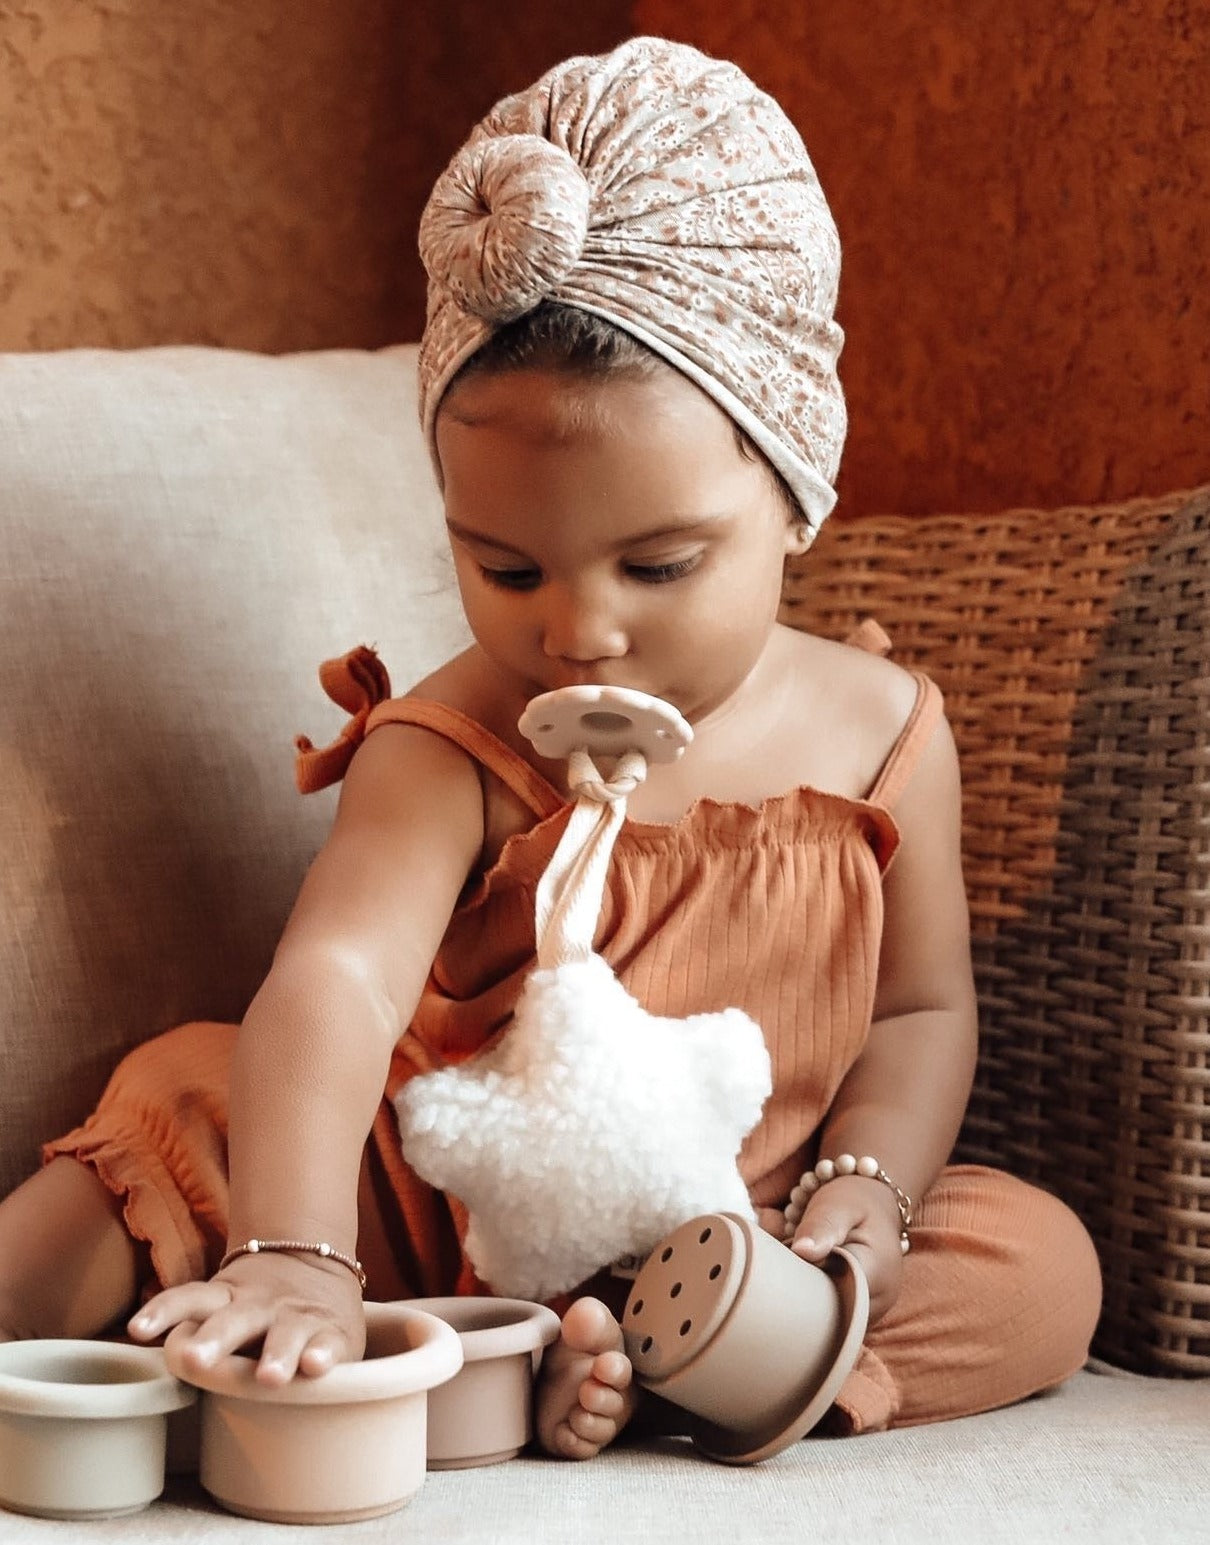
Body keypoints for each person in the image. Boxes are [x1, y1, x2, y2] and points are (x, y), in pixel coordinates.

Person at [0, 37, 1101, 1459]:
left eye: (658, 567)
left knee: (1036, 1262)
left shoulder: (882, 734)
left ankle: (681, 1362)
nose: (578, 633)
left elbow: (915, 1014)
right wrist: (297, 1243)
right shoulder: (450, 741)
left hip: (735, 1234)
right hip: (430, 1204)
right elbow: (333, 979)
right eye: (507, 570)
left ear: (798, 489)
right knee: (180, 1095)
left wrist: (868, 1190)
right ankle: (376, 1331)